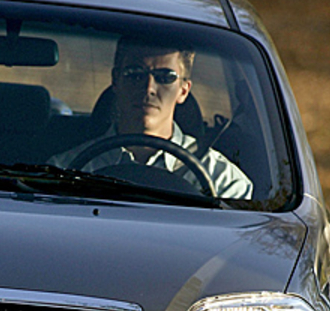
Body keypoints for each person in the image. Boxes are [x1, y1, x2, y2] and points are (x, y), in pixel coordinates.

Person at [49, 37, 252, 199]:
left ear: (184, 90)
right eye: (135, 73)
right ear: (115, 81)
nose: (148, 88)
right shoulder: (66, 171)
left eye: (165, 77)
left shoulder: (224, 183)